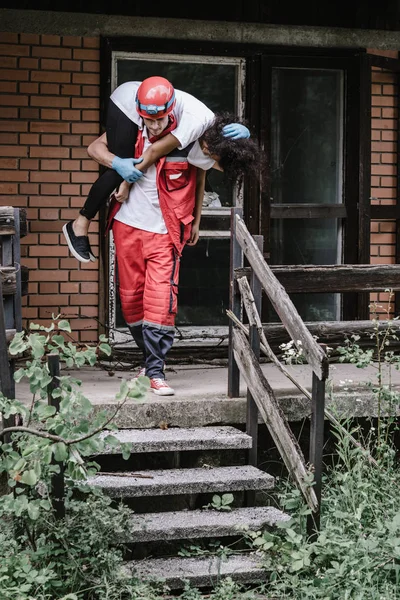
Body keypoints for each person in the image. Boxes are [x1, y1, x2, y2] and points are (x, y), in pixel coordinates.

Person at [88, 80, 265, 396]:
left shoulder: (192, 137)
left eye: (160, 118)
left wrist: (196, 219)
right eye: (149, 118)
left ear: (172, 113)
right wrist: (118, 166)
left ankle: (156, 370)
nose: (154, 124)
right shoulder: (128, 128)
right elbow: (95, 148)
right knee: (130, 300)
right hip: (127, 225)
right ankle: (148, 361)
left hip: (165, 230)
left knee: (161, 300)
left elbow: (204, 172)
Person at [62, 76, 250, 264]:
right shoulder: (195, 125)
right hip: (127, 101)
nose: (212, 162)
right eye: (215, 160)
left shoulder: (216, 139)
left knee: (127, 162)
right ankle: (80, 223)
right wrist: (127, 182)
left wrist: (196, 221)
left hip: (150, 106)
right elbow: (153, 152)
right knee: (123, 166)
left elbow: (200, 180)